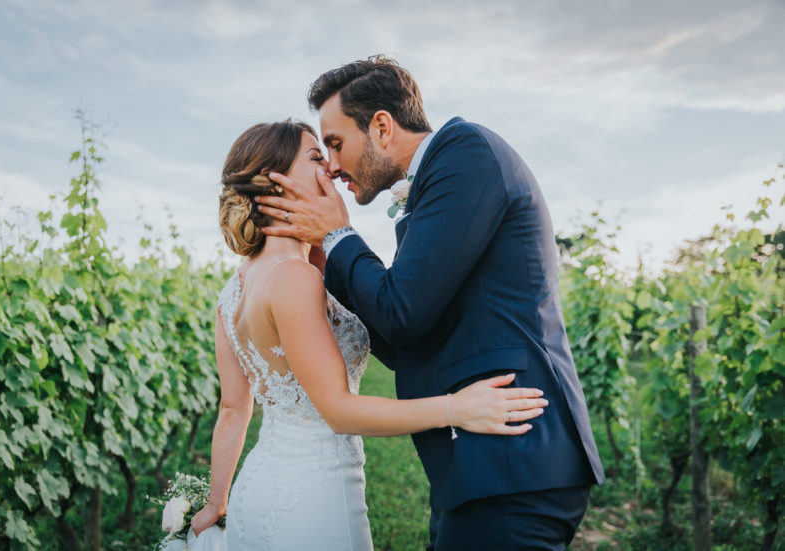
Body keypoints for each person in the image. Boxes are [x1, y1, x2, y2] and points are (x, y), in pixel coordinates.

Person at [255, 56, 606, 550]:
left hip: (514, 459)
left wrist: (337, 237)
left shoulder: (466, 154)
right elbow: (407, 337)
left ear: (381, 126)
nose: (331, 167)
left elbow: (402, 312)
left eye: (335, 143)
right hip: (479, 468)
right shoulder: (433, 186)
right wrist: (324, 266)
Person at [189, 120, 550, 550]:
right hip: (313, 499)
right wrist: (457, 408)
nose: (332, 168)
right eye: (317, 158)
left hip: (258, 486)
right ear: (277, 183)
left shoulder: (235, 288)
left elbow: (233, 408)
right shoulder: (294, 278)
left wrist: (217, 500)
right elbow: (340, 411)